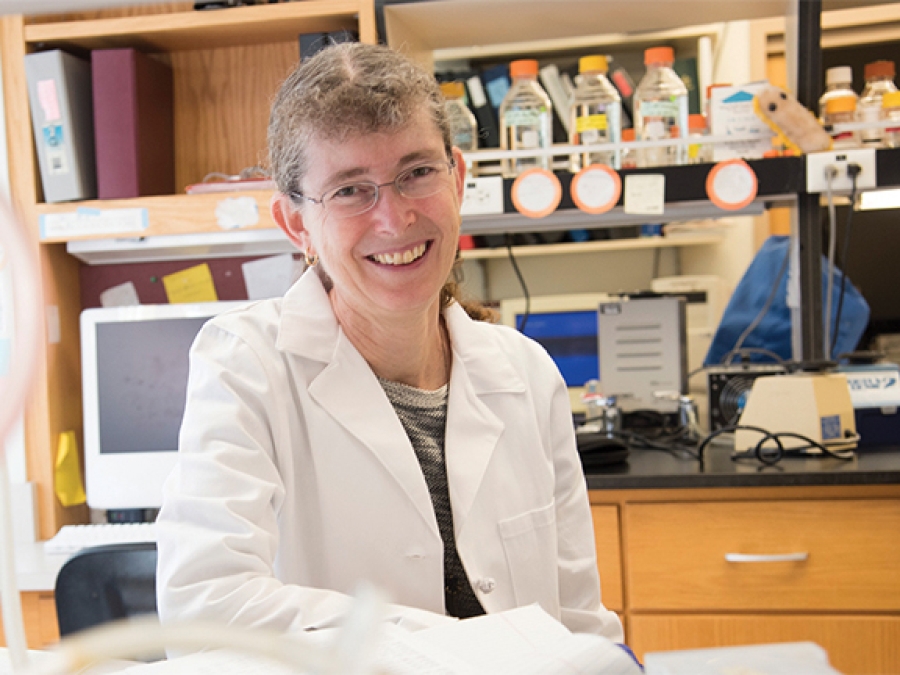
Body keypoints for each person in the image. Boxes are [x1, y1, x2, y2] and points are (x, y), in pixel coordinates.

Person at [155, 41, 623, 643]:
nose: (394, 218)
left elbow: (581, 624)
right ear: (297, 224)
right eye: (350, 189)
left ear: (457, 178)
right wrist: (440, 644)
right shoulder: (246, 366)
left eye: (417, 173)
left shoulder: (528, 375)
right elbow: (205, 605)